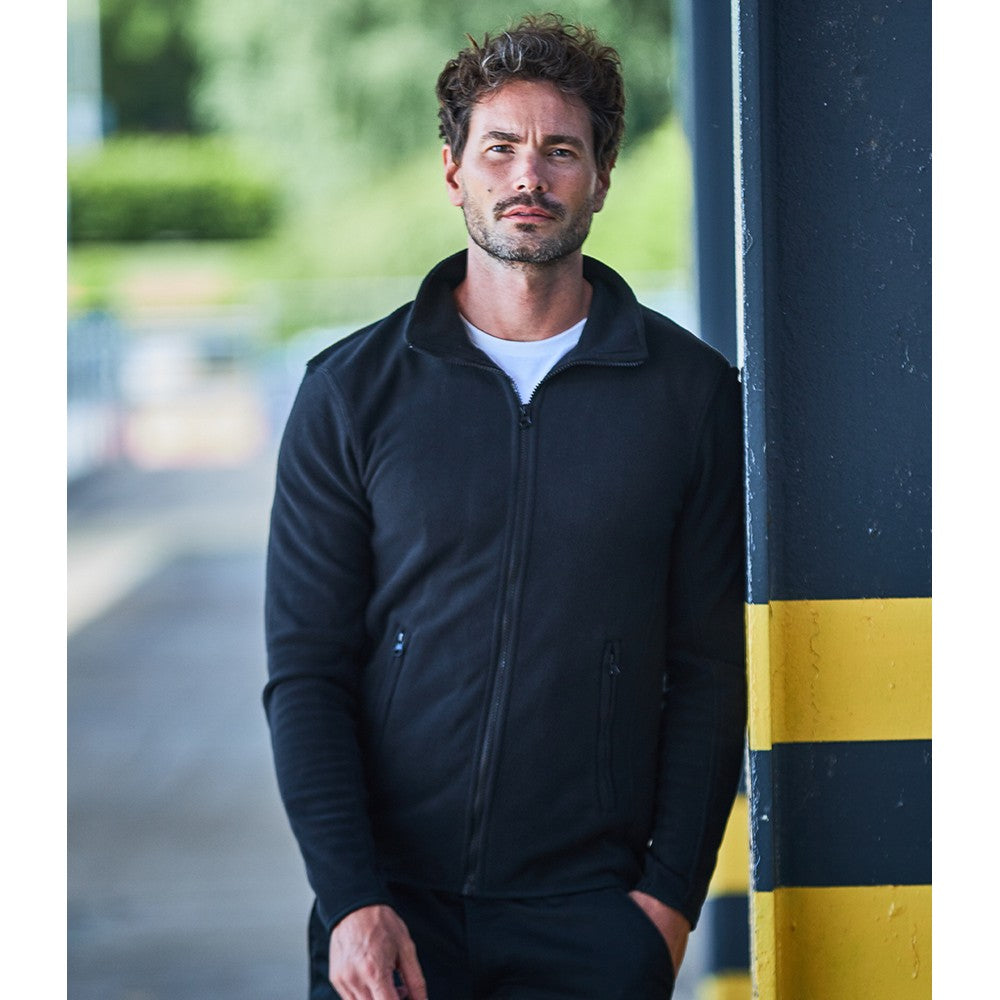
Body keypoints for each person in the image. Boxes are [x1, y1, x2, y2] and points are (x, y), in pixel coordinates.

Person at [265, 14, 746, 1000]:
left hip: (593, 916)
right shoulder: (350, 393)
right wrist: (350, 899)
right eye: (500, 148)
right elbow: (307, 672)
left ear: (601, 177)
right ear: (454, 170)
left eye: (561, 150)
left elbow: (708, 670)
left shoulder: (689, 397)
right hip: (393, 915)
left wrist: (665, 906)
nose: (529, 175)